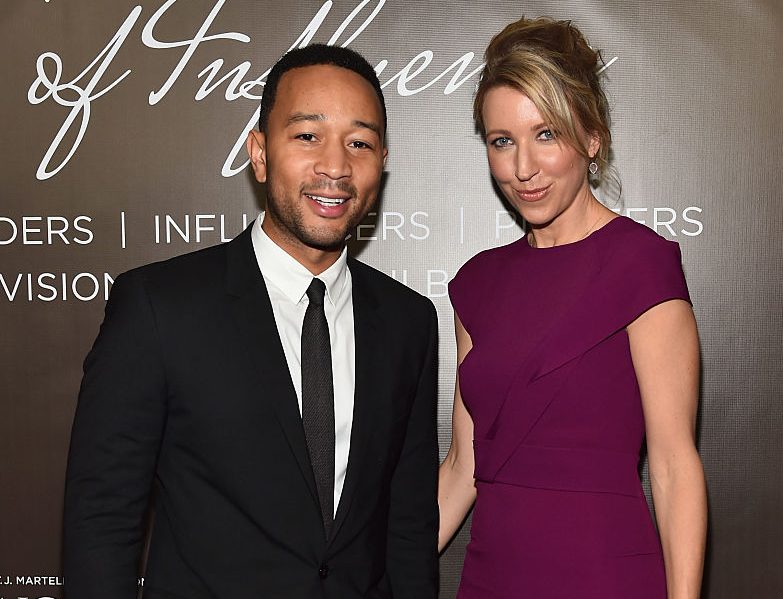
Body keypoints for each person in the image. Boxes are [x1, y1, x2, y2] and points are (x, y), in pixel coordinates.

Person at [63, 44, 439, 599]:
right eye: (307, 135)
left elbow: (409, 524)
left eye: (359, 143)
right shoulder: (159, 307)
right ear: (260, 154)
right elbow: (102, 518)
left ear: (381, 161)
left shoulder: (409, 321)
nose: (335, 166)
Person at [438, 17, 707, 598]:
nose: (523, 168)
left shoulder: (640, 265)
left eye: (546, 134)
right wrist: (366, 575)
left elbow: (673, 466)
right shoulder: (477, 284)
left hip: (604, 574)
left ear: (591, 137)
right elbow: (462, 468)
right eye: (502, 141)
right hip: (491, 579)